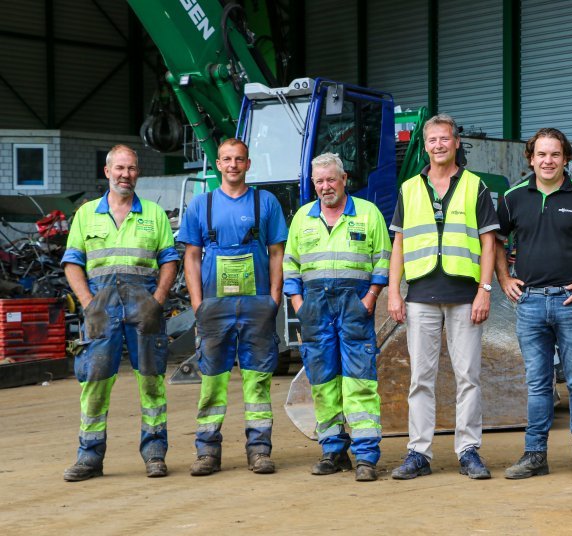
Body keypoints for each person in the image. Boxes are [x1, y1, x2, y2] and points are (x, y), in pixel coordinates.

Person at [388, 114, 498, 480]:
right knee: (421, 378)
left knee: (468, 377)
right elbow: (399, 244)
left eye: (445, 139)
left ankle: (468, 450)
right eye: (432, 139)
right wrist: (394, 292)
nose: (439, 145)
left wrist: (484, 290)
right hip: (420, 295)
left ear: (456, 143)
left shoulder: (475, 186)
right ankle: (418, 452)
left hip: (464, 296)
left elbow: (488, 243)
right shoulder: (409, 188)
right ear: (425, 145)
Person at [495, 128, 572, 482]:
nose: (548, 161)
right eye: (541, 154)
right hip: (530, 302)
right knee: (538, 384)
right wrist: (504, 278)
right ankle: (535, 455)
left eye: (555, 154)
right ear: (531, 159)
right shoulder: (513, 198)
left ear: (565, 159)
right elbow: (497, 242)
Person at [62, 144, 179, 481]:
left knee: (152, 382)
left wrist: (157, 300)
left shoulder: (154, 214)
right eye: (120, 168)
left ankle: (154, 454)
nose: (125, 174)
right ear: (107, 172)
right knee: (95, 383)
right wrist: (88, 304)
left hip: (144, 307)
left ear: (137, 173)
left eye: (131, 168)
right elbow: (72, 263)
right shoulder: (86, 214)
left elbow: (169, 260)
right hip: (101, 309)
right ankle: (89, 457)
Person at [177, 138, 287, 476]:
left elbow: (277, 253)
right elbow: (191, 256)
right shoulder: (202, 205)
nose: (233, 165)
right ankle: (207, 452)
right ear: (218, 164)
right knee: (212, 380)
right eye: (226, 159)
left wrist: (274, 298)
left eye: (239, 159)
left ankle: (260, 450)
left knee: (257, 379)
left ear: (248, 164)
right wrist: (197, 303)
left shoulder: (265, 202)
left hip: (257, 305)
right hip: (214, 306)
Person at [283, 153, 391, 482]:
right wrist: (299, 305)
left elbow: (382, 260)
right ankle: (332, 450)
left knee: (360, 381)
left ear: (344, 179)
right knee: (323, 382)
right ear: (313, 184)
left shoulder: (368, 214)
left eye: (331, 179)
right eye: (319, 181)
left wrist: (371, 298)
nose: (326, 186)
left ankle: (366, 455)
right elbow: (291, 266)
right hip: (315, 308)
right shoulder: (302, 218)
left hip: (354, 305)